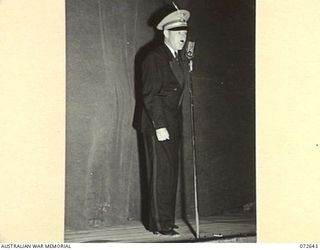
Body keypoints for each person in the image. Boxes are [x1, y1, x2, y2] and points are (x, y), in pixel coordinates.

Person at [140, 7, 190, 236]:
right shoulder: (155, 57)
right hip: (157, 125)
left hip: (172, 123)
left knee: (169, 174)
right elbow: (150, 95)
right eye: (178, 32)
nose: (182, 37)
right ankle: (160, 224)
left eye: (185, 33)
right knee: (161, 174)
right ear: (166, 33)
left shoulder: (177, 58)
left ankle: (165, 220)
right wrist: (159, 126)